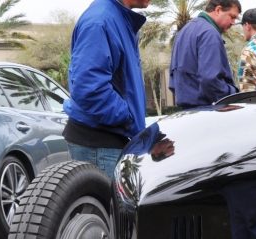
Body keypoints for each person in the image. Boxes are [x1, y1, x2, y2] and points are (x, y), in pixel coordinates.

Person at [62, 0, 150, 179]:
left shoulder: (117, 19)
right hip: (100, 144)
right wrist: (128, 116)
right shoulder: (100, 21)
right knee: (106, 207)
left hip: (108, 140)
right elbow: (89, 89)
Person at [169, 0, 241, 108]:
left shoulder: (183, 32)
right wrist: (232, 95)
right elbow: (211, 80)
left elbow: (173, 81)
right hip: (207, 110)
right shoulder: (209, 34)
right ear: (218, 10)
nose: (233, 22)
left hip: (186, 111)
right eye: (232, 16)